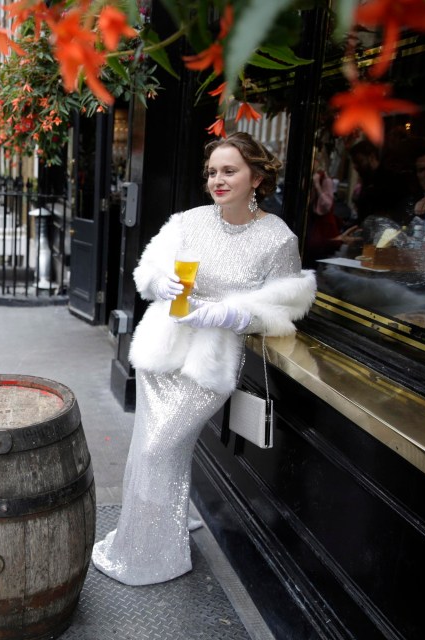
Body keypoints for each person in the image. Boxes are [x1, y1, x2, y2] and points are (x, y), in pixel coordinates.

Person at [91, 132, 316, 586]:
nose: (217, 179)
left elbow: (288, 306)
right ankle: (162, 527)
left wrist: (235, 312)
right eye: (212, 171)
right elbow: (146, 272)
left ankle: (150, 555)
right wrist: (163, 283)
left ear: (257, 176)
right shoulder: (188, 221)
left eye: (229, 170)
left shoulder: (278, 238)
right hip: (162, 350)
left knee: (161, 447)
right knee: (152, 445)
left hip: (208, 363)